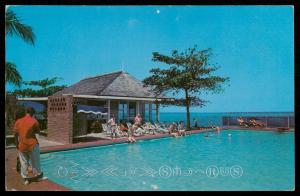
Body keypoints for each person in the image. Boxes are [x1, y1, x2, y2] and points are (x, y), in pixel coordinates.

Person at [13, 107, 46, 185]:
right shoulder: (34, 121)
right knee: (36, 162)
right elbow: (37, 132)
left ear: (26, 112)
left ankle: (25, 179)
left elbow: (15, 134)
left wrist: (16, 144)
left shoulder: (18, 121)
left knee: (24, 162)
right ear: (32, 113)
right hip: (32, 145)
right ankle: (38, 176)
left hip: (22, 145)